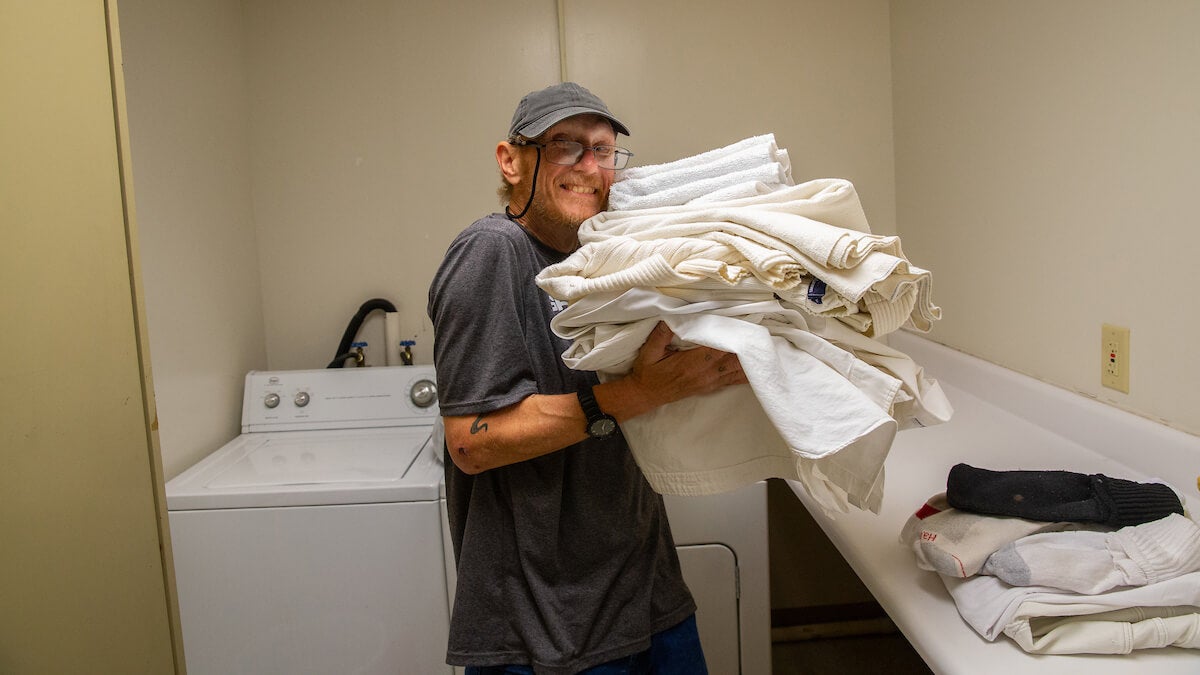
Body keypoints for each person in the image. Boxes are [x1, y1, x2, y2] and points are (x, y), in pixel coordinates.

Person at [427, 82, 747, 675]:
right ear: (511, 160)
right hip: (546, 626)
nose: (589, 165)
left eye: (603, 150)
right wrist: (641, 393)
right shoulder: (492, 250)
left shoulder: (604, 264)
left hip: (646, 589)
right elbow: (473, 440)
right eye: (564, 144)